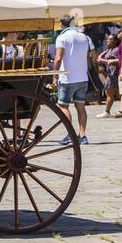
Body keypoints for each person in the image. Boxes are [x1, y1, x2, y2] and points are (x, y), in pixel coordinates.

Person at [52, 14, 91, 145]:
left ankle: (70, 135)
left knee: (63, 105)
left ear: (62, 24)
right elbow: (87, 57)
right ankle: (83, 135)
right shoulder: (84, 37)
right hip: (82, 77)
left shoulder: (62, 37)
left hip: (67, 77)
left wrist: (54, 75)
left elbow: (58, 58)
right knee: (80, 106)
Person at [97, 32, 121, 119]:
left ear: (115, 41)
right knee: (115, 93)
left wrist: (106, 61)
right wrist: (101, 57)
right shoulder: (109, 50)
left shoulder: (117, 49)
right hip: (109, 73)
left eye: (110, 39)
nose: (108, 40)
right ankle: (119, 110)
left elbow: (121, 59)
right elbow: (100, 56)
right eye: (107, 39)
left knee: (110, 92)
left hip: (114, 73)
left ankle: (107, 112)